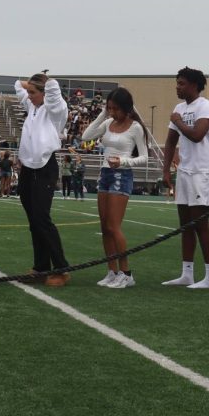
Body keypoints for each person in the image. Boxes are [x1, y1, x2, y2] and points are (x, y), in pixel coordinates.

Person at [80, 87, 151, 288]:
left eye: (115, 109)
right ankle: (112, 271)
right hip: (105, 174)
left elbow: (145, 157)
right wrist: (103, 113)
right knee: (105, 227)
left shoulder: (135, 127)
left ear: (126, 108)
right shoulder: (109, 122)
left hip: (121, 174)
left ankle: (126, 273)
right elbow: (86, 136)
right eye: (109, 108)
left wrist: (123, 162)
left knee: (113, 226)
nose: (112, 112)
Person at [162, 67, 209, 289]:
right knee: (185, 224)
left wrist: (178, 121)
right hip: (185, 170)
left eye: (182, 83)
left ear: (195, 85)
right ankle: (187, 273)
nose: (178, 87)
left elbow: (197, 135)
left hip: (204, 171)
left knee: (200, 223)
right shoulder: (178, 108)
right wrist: (167, 170)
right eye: (177, 83)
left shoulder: (206, 106)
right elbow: (169, 142)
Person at [13, 71, 72, 286]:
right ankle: (41, 268)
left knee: (41, 219)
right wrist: (29, 84)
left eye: (33, 92)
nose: (28, 96)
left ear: (44, 93)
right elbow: (16, 85)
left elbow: (54, 90)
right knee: (33, 222)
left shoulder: (55, 111)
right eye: (28, 92)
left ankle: (62, 268)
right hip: (28, 169)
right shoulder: (32, 107)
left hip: (45, 167)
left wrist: (45, 83)